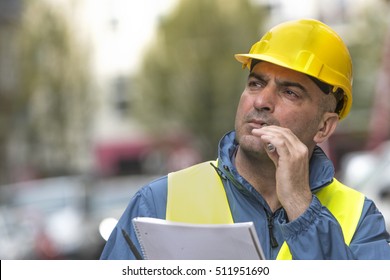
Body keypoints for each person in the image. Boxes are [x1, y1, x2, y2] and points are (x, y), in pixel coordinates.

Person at [100, 18, 390, 260]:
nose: (262, 100)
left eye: (290, 92)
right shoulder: (157, 204)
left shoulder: (361, 220)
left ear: (325, 127)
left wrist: (302, 207)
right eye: (256, 83)